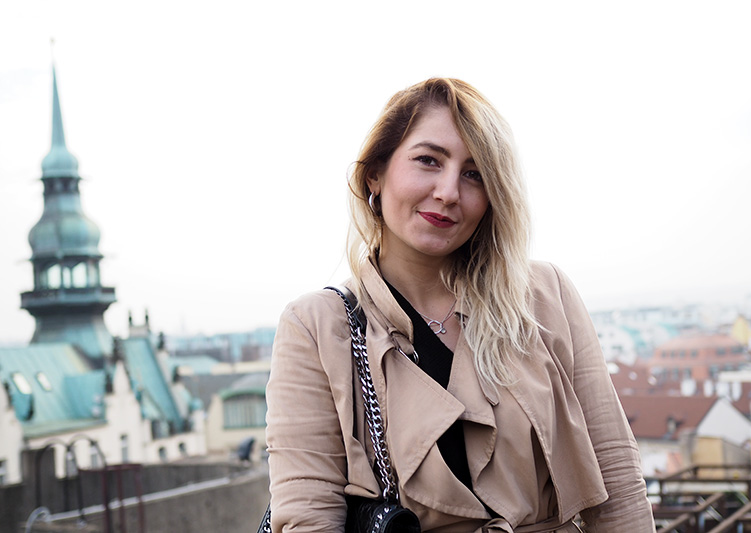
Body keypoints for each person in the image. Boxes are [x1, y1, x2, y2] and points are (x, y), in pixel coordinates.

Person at [265, 78, 655, 532]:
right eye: (428, 160)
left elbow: (618, 484)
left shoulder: (545, 297)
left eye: (474, 174)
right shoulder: (317, 326)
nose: (449, 192)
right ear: (375, 174)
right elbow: (308, 515)